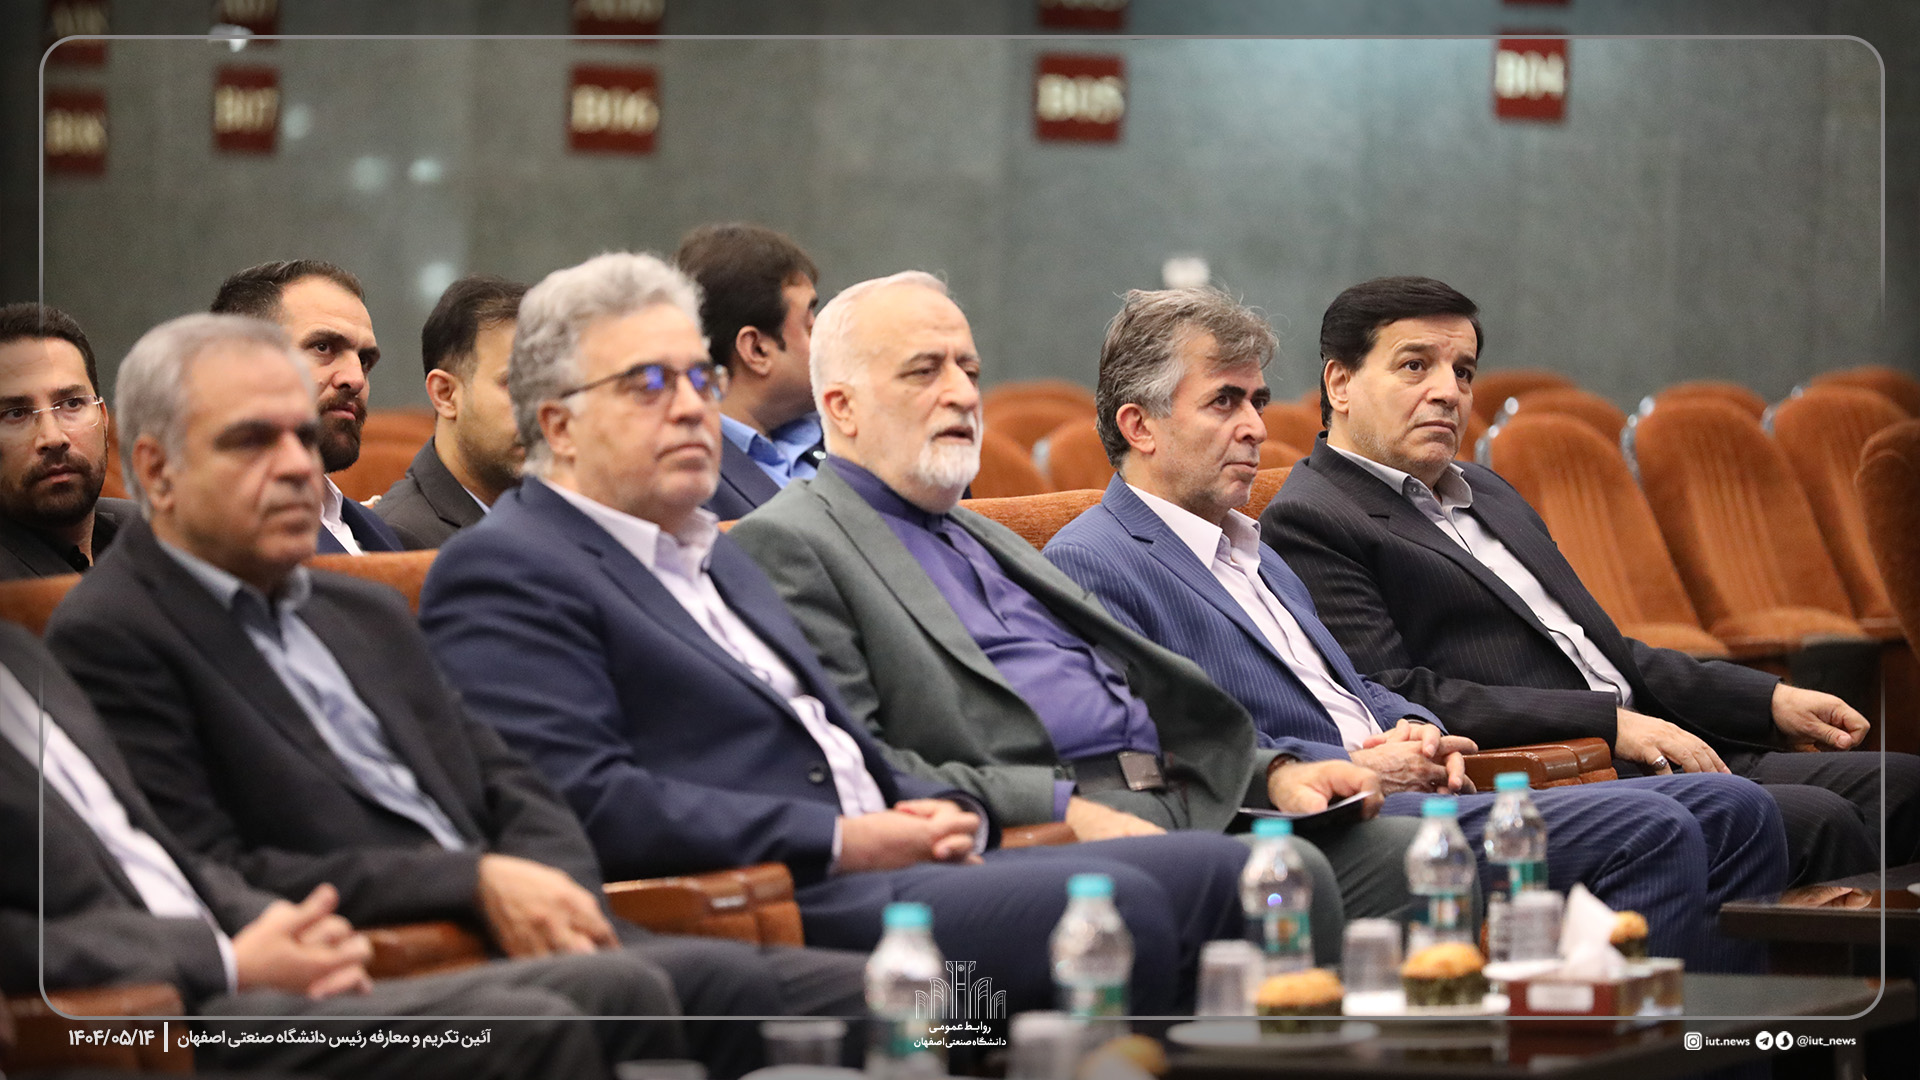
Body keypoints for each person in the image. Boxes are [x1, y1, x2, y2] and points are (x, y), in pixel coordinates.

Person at [417, 253, 1250, 1014]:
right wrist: (845, 836)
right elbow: (588, 801)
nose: (691, 408)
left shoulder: (715, 556)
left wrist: (945, 812)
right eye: (648, 384)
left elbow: (842, 747)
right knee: (1119, 908)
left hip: (890, 857)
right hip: (778, 896)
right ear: (558, 425)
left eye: (698, 379)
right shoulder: (510, 567)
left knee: (1225, 878)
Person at [43, 313, 866, 1079]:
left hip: (525, 933)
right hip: (377, 964)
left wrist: (548, 887)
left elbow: (510, 781)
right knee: (623, 996)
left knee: (890, 999)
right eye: (253, 441)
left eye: (302, 437)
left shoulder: (360, 607)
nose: (297, 466)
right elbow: (213, 867)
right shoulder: (114, 632)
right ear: (158, 468)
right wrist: (471, 881)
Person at [1044, 286, 1786, 971]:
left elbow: (1350, 686)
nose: (1256, 428)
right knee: (1654, 830)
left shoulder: (1249, 546)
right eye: (1224, 403)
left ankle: (1717, 1044)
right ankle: (1618, 1041)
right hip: (1321, 817)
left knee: (1737, 809)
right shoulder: (1094, 560)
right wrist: (1349, 763)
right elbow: (1158, 751)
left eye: (1258, 401)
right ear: (1139, 426)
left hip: (1410, 786)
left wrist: (1418, 730)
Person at [726, 271, 1432, 948]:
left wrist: (1272, 773)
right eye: (924, 372)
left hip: (1179, 796)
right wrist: (1064, 811)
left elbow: (1141, 700)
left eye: (969, 371)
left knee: (1416, 850)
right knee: (1287, 873)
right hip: (1040, 831)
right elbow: (860, 764)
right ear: (841, 407)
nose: (961, 394)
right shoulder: (791, 542)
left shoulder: (984, 535)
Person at [1260, 275, 1920, 883]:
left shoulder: (1487, 491)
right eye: (1415, 366)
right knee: (1821, 820)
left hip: (1658, 742)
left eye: (1463, 371)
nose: (1447, 391)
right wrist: (1610, 724)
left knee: (1905, 787)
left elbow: (1603, 651)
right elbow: (1400, 694)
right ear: (1340, 384)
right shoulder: (1314, 516)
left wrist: (1766, 700)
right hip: (1567, 772)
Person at [0, 620, 685, 1080]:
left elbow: (162, 857)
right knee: (534, 1027)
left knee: (622, 989)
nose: (297, 468)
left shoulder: (20, 654)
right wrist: (227, 959)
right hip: (155, 1018)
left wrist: (280, 924)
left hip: (250, 967)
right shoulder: (107, 630)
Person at [210, 259, 403, 553]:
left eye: (364, 361)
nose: (356, 379)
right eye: (323, 347)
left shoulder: (377, 529)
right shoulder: (216, 535)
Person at [675, 223, 826, 519]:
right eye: (809, 325)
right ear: (757, 350)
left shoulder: (846, 435)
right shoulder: (687, 480)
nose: (828, 337)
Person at [375, 275, 527, 548]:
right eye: (515, 384)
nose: (542, 408)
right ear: (445, 394)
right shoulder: (398, 539)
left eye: (550, 385)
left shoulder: (559, 515)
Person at [0, 302, 135, 579]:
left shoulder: (148, 533)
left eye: (72, 403)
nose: (53, 438)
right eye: (16, 413)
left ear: (103, 416)